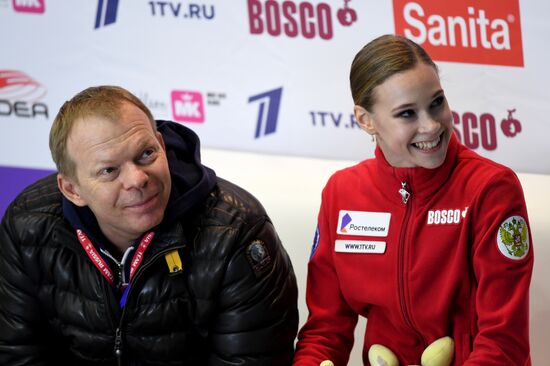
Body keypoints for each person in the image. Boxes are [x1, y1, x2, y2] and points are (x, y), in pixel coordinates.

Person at [0, 85, 299, 365]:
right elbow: (16, 353)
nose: (137, 179)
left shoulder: (236, 233)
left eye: (146, 154)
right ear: (72, 190)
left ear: (161, 143)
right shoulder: (27, 226)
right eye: (109, 170)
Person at [293, 34, 533, 365]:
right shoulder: (342, 193)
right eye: (407, 113)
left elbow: (503, 342)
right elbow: (324, 332)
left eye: (437, 103)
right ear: (366, 120)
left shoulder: (491, 189)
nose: (431, 126)